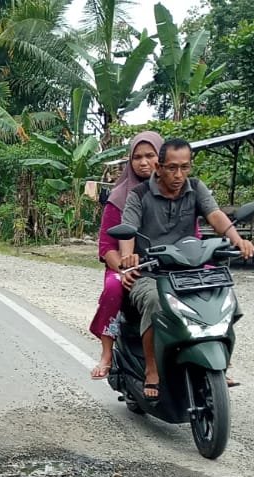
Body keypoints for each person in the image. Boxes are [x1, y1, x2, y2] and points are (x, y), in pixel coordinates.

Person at [118, 138, 254, 399]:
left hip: (190, 269)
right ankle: (152, 369)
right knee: (154, 302)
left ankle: (219, 362)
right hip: (151, 272)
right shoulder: (139, 195)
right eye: (172, 168)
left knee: (227, 299)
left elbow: (215, 215)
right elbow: (128, 229)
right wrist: (128, 257)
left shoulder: (195, 188)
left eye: (185, 167)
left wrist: (238, 240)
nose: (179, 174)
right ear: (159, 167)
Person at [89, 131, 161, 380]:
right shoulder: (118, 199)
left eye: (150, 155)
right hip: (124, 265)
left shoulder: (176, 194)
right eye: (137, 157)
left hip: (164, 264)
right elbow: (107, 246)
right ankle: (107, 353)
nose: (143, 162)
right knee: (113, 288)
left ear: (160, 158)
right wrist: (123, 268)